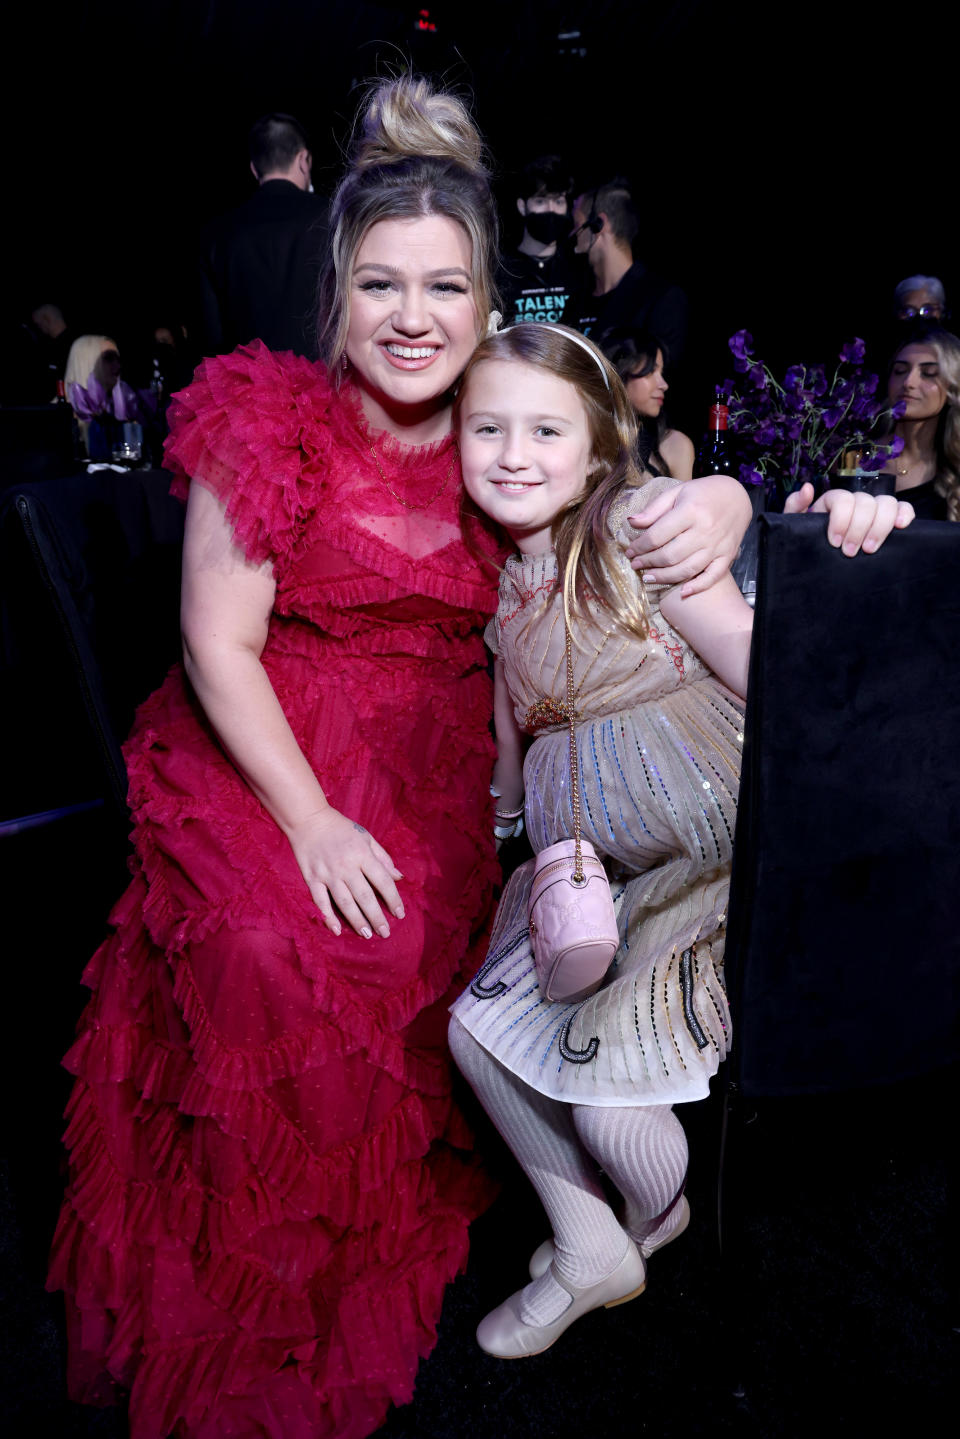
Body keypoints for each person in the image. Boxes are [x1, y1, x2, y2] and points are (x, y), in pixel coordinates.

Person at [47, 76, 765, 1436]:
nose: (414, 317)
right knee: (269, 945)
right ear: (337, 291)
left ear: (489, 301)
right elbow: (216, 642)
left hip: (453, 755)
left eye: (446, 287)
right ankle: (261, 1259)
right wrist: (313, 822)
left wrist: (723, 493)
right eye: (383, 284)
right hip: (272, 737)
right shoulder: (267, 415)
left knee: (423, 959)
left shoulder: (506, 434)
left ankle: (565, 1199)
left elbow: (632, 470)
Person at [447, 322, 915, 1359]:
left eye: (544, 429)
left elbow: (769, 670)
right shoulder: (505, 590)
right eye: (489, 427)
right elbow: (513, 747)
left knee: (613, 1113)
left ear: (601, 439)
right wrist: (496, 830)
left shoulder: (631, 531)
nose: (514, 453)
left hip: (704, 857)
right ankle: (589, 1242)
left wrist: (829, 543)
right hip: (588, 870)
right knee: (475, 1036)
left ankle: (648, 1221)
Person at [198, 111, 329, 357]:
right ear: (303, 160)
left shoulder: (216, 235)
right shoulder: (332, 218)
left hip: (246, 386)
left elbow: (213, 336)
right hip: (321, 382)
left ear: (254, 169)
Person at [570, 180, 688, 367]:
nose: (574, 233)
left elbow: (661, 380)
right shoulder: (577, 301)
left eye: (577, 224)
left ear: (600, 224)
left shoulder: (661, 299)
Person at [880, 329, 960, 521]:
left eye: (928, 373)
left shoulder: (954, 468)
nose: (908, 382)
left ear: (952, 388)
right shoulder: (854, 455)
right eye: (900, 371)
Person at [497, 155, 583, 328]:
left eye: (558, 201)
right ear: (522, 206)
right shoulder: (501, 270)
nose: (551, 210)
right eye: (541, 201)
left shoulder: (579, 270)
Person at [601, 327, 694, 479]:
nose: (663, 384)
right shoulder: (588, 443)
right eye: (651, 372)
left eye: (662, 373)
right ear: (620, 373)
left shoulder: (674, 445)